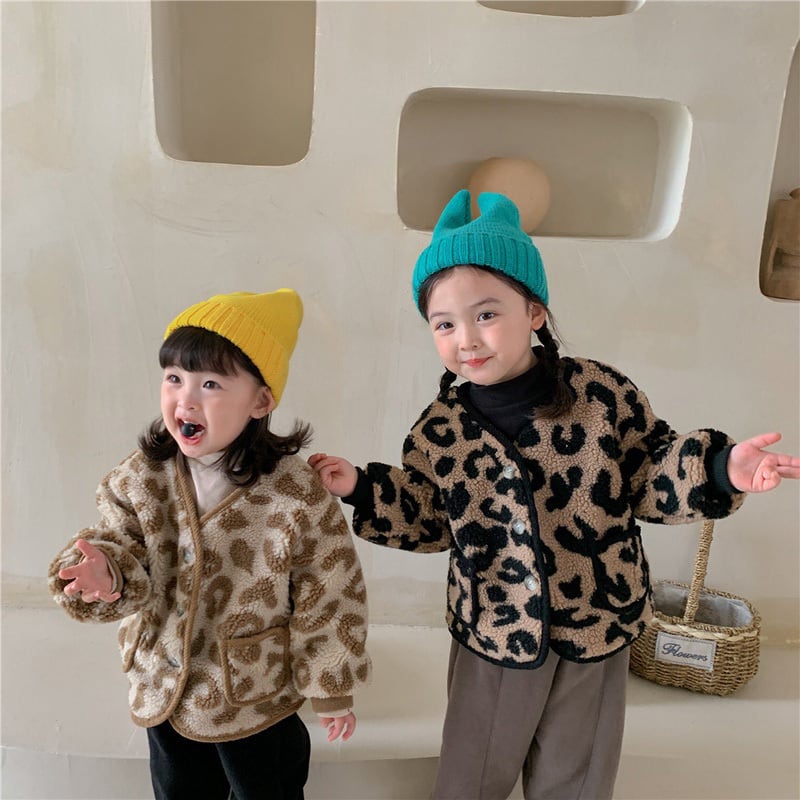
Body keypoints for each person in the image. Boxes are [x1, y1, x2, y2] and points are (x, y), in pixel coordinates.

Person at [309, 191, 800, 800]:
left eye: (487, 314)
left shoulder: (601, 396)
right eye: (444, 323)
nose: (467, 338)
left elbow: (651, 471)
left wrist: (723, 469)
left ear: (534, 311)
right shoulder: (440, 430)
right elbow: (429, 517)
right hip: (494, 628)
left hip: (598, 622)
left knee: (578, 773)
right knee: (473, 771)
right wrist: (361, 487)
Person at [49, 289, 371, 800]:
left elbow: (329, 588)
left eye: (211, 384)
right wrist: (106, 573)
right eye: (174, 378)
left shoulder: (294, 492)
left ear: (260, 401)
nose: (186, 399)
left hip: (252, 693)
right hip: (165, 683)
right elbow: (120, 545)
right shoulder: (139, 479)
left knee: (266, 789)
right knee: (179, 790)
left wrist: (332, 686)